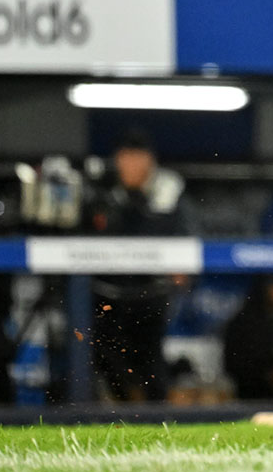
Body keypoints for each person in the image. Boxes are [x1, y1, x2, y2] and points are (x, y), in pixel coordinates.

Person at [81, 129, 187, 402]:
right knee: (103, 355)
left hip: (149, 291)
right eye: (125, 157)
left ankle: (159, 422)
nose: (130, 165)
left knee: (148, 361)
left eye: (137, 158)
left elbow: (175, 233)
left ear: (150, 160)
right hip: (107, 291)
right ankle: (118, 413)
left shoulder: (168, 187)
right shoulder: (103, 187)